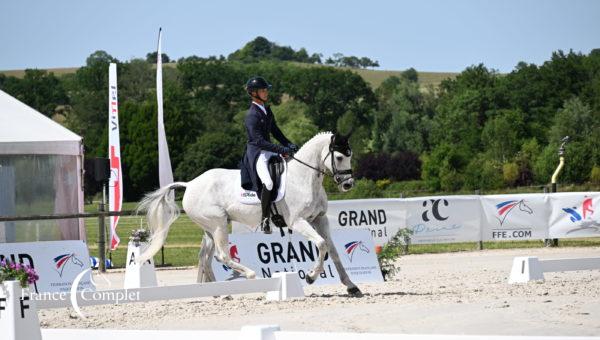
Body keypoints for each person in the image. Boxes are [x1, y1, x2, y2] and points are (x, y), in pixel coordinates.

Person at [239, 76, 298, 233]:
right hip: (258, 153)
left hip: (270, 149)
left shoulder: (266, 109)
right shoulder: (252, 115)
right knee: (269, 183)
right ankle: (265, 219)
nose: (266, 92)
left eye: (266, 90)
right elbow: (258, 141)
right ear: (254, 93)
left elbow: (275, 130)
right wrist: (281, 150)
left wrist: (288, 143)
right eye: (263, 90)